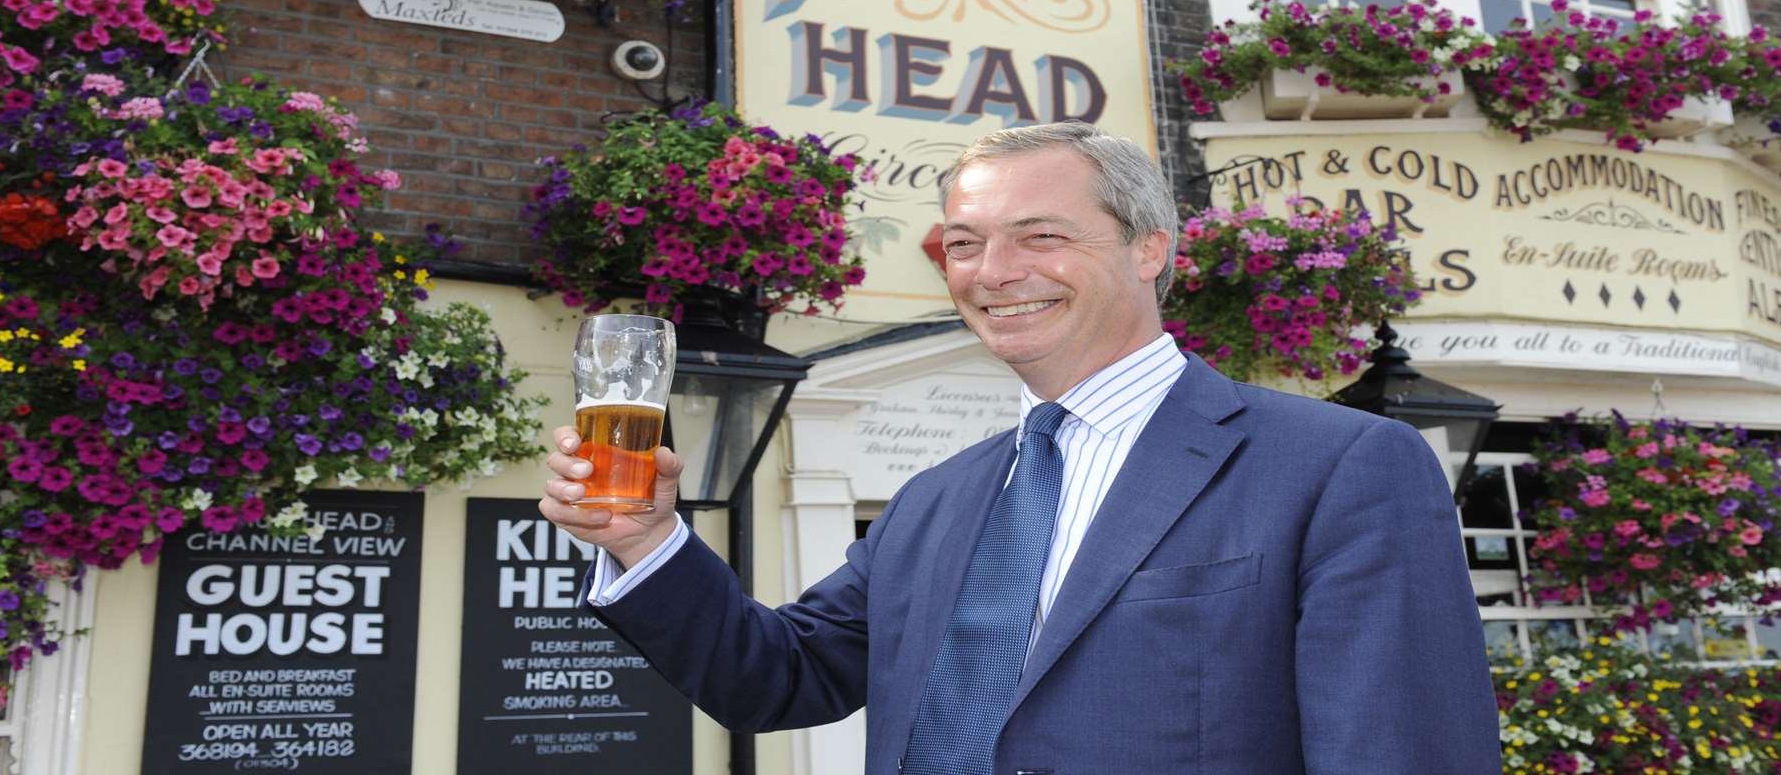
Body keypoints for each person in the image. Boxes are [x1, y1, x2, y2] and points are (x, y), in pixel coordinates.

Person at [539, 122, 1500, 774]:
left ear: (1150, 247)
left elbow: (1402, 751)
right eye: (963, 244)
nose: (994, 273)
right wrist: (645, 541)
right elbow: (777, 676)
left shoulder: (1338, 467)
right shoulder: (934, 500)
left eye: (1040, 235)